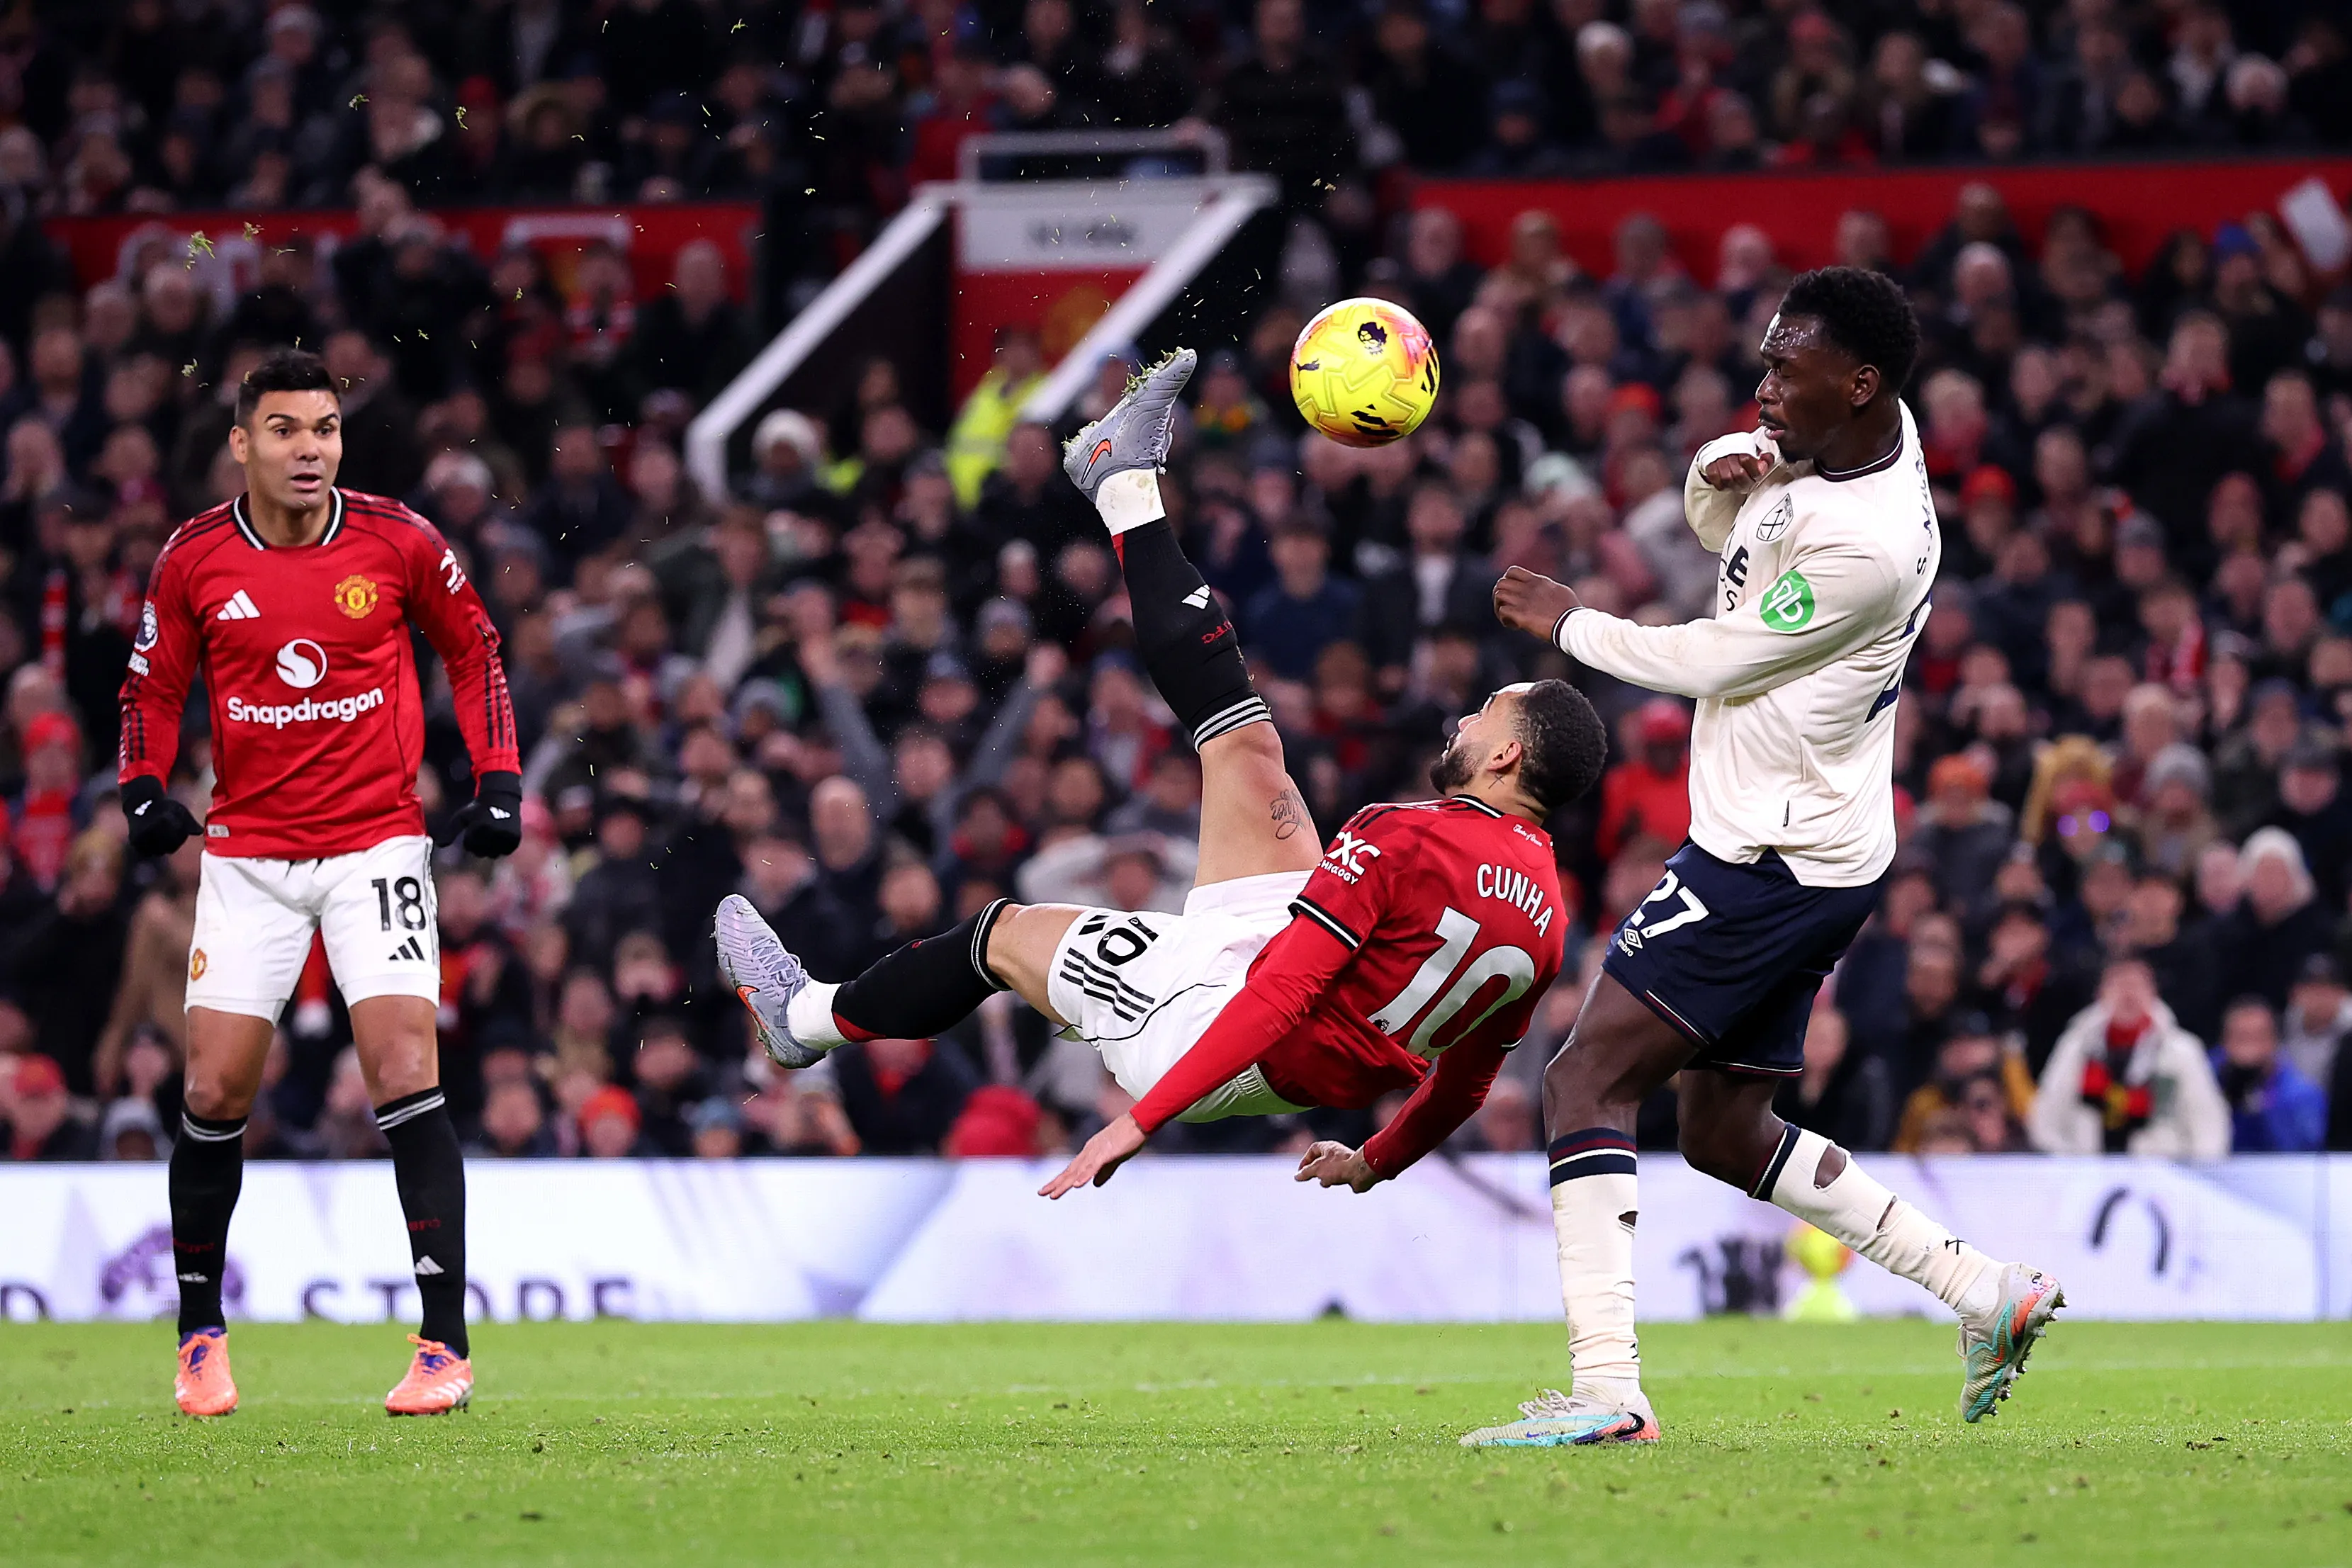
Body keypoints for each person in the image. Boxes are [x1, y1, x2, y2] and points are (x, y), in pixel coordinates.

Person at [718, 351, 1607, 1192]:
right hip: (1290, 1022)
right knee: (1245, 745)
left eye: (1483, 711)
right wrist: (1371, 1161)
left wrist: (1138, 1120)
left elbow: (1286, 986)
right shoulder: (1546, 919)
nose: (1461, 715)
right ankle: (1121, 479)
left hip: (1207, 1030)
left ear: (1505, 754)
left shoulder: (1401, 833)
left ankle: (801, 1019)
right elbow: (1463, 1083)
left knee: (998, 934)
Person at [1482, 266, 2060, 1445]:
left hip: (1766, 854)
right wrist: (1714, 471)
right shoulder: (1828, 443)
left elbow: (1718, 656)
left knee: (1579, 1081)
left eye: (1781, 372)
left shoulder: (1873, 541)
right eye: (1761, 364)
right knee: (1719, 1132)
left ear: (1859, 381)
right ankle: (1981, 1290)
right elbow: (1733, 550)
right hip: (1814, 841)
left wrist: (1567, 629)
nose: (1761, 390)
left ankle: (1605, 1394)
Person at [117, 348, 523, 1419]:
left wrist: (499, 782)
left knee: (401, 1067)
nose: (310, 450)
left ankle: (444, 1345)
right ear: (243, 443)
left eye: (326, 430)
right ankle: (199, 1334)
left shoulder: (398, 539)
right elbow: (151, 684)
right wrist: (141, 788)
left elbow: (475, 652)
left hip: (374, 846)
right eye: (288, 431)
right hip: (247, 857)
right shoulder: (195, 556)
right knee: (213, 1094)